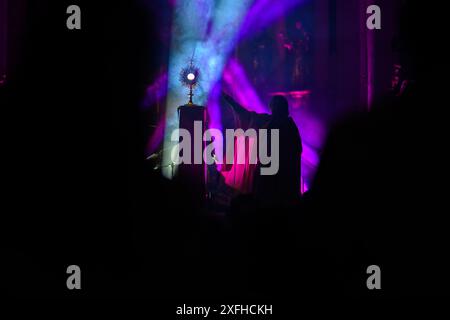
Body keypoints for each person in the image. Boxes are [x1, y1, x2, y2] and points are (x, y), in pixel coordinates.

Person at [222, 92, 302, 205]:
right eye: (273, 107)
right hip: (268, 178)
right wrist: (230, 100)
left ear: (282, 108)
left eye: (276, 107)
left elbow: (293, 154)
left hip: (281, 180)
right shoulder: (270, 122)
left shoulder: (289, 127)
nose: (274, 109)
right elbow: (247, 116)